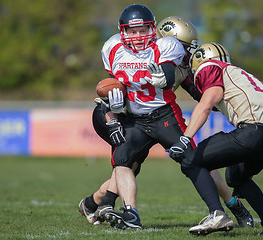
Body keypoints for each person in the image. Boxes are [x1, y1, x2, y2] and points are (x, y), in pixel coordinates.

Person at [78, 15, 253, 229]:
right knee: (124, 163)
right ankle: (114, 208)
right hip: (133, 119)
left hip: (164, 117)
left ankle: (232, 206)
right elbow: (111, 92)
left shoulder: (175, 59)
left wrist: (217, 98)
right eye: (184, 46)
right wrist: (114, 111)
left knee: (193, 159)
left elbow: (198, 93)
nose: (188, 52)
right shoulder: (119, 50)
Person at [168, 42, 263, 237]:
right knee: (236, 177)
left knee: (191, 161)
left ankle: (217, 214)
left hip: (253, 132)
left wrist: (185, 138)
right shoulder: (237, 73)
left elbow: (207, 104)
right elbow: (217, 102)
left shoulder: (209, 68)